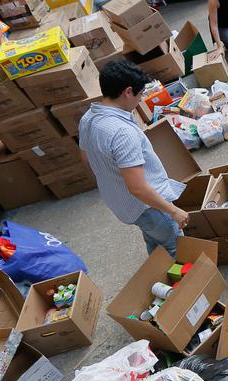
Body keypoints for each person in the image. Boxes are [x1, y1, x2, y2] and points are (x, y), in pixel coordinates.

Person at [79, 60, 188, 257]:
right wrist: (173, 211)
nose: (141, 100)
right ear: (128, 92)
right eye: (140, 95)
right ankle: (185, 285)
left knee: (156, 242)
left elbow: (86, 160)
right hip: (148, 206)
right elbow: (137, 188)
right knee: (176, 247)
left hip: (121, 203)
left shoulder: (88, 118)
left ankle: (157, 274)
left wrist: (111, 175)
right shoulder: (122, 132)